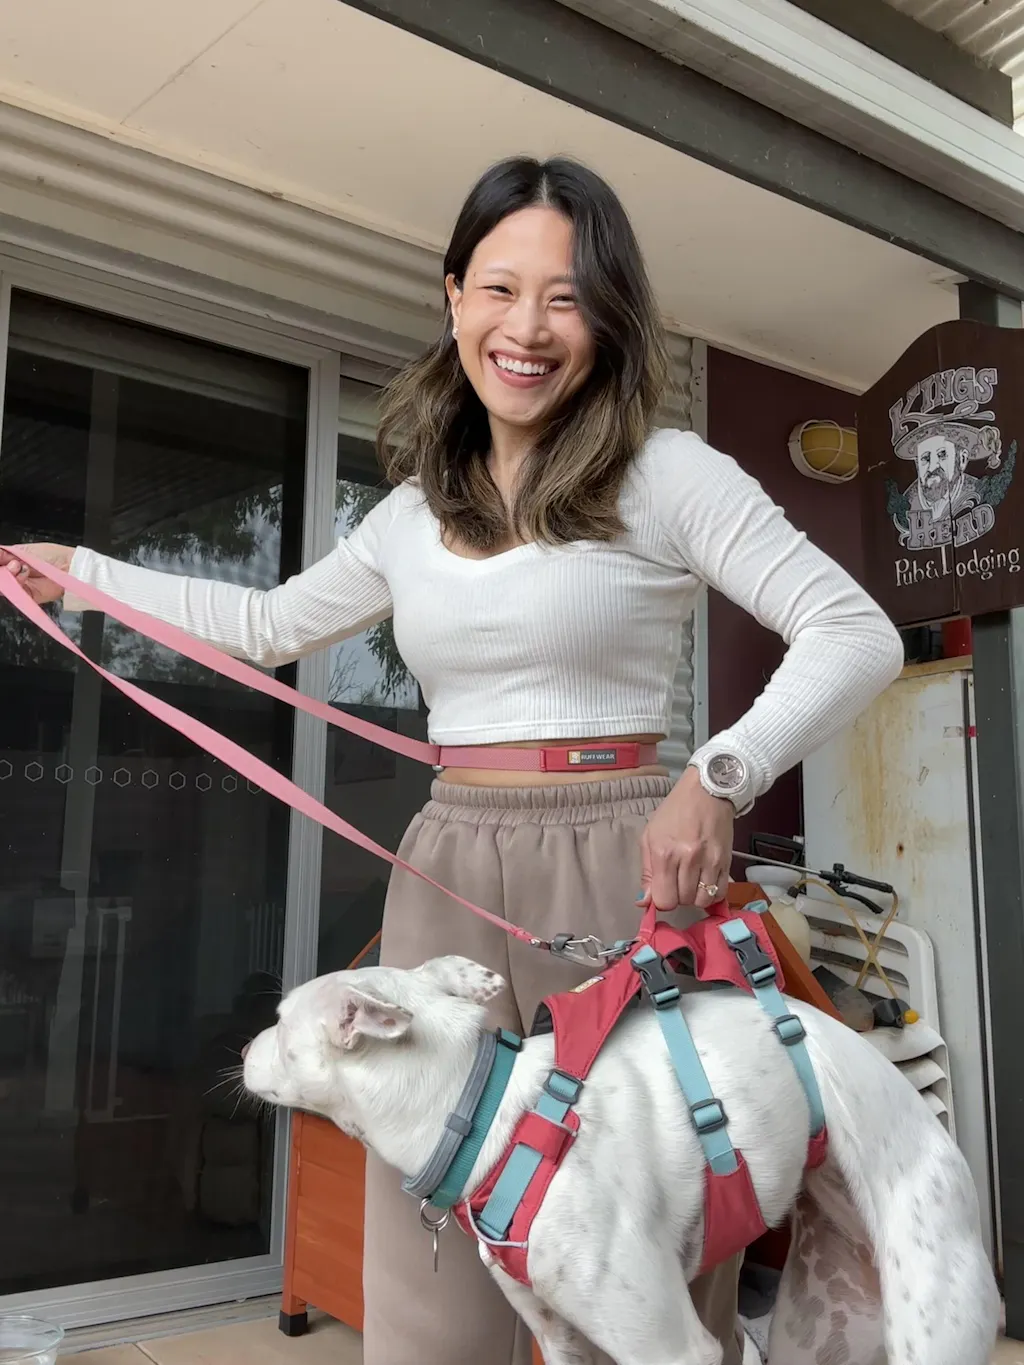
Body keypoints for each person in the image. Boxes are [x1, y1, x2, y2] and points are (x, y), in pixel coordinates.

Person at [1, 156, 904, 1365]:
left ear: (609, 320)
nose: (526, 328)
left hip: (622, 858)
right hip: (449, 862)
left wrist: (718, 776)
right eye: (499, 289)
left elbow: (853, 631)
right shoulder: (413, 510)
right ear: (453, 299)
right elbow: (266, 625)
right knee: (430, 1239)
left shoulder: (670, 473)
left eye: (566, 298)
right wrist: (85, 575)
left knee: (643, 1231)